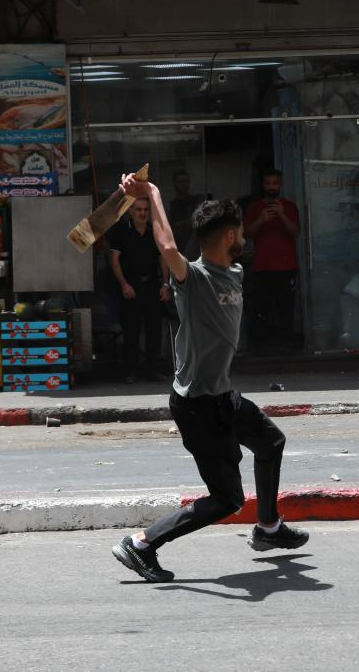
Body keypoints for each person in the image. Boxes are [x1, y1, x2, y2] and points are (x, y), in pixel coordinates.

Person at [111, 174, 308, 584]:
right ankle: (142, 543)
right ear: (231, 235)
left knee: (270, 442)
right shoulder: (193, 279)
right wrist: (153, 192)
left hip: (222, 397)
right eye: (242, 234)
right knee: (227, 499)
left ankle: (268, 526)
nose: (245, 240)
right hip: (197, 406)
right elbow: (168, 248)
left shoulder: (234, 272)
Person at [107, 196, 170, 383]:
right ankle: (131, 371)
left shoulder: (154, 231)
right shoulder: (121, 231)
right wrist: (124, 284)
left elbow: (163, 258)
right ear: (130, 211)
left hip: (152, 285)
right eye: (138, 209)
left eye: (145, 210)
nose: (142, 213)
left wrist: (165, 284)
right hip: (130, 285)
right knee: (131, 331)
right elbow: (114, 260)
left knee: (154, 330)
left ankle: (152, 370)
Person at [243, 169, 300, 354]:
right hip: (262, 267)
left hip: (286, 266)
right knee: (261, 309)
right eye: (268, 183)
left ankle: (286, 347)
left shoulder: (290, 206)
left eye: (275, 183)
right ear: (263, 185)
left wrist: (281, 215)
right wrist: (261, 219)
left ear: (280, 185)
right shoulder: (255, 208)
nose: (271, 187)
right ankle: (262, 348)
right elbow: (246, 233)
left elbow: (295, 231)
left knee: (285, 309)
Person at [168, 169, 203, 257]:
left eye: (186, 181)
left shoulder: (195, 201)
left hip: (195, 249)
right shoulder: (171, 205)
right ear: (174, 183)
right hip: (177, 250)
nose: (184, 184)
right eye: (180, 181)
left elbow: (198, 222)